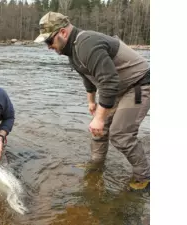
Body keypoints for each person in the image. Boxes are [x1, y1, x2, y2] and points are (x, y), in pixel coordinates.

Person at [34, 12, 150, 192]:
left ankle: (144, 177)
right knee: (98, 130)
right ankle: (96, 165)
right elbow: (88, 77)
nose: (48, 47)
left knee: (120, 134)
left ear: (63, 33)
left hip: (138, 86)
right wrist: (91, 102)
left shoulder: (86, 44)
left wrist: (100, 117)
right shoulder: (71, 51)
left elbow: (109, 81)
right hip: (118, 88)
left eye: (49, 41)